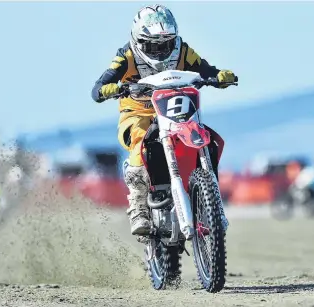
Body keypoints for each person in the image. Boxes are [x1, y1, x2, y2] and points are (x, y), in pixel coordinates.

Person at [91, 4, 236, 236]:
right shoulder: (125, 56)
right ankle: (138, 206)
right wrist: (108, 89)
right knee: (140, 139)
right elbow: (100, 85)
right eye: (152, 46)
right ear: (138, 41)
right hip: (138, 115)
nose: (160, 51)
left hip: (177, 109)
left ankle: (212, 200)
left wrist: (218, 77)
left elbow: (205, 69)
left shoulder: (183, 51)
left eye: (165, 44)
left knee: (210, 140)